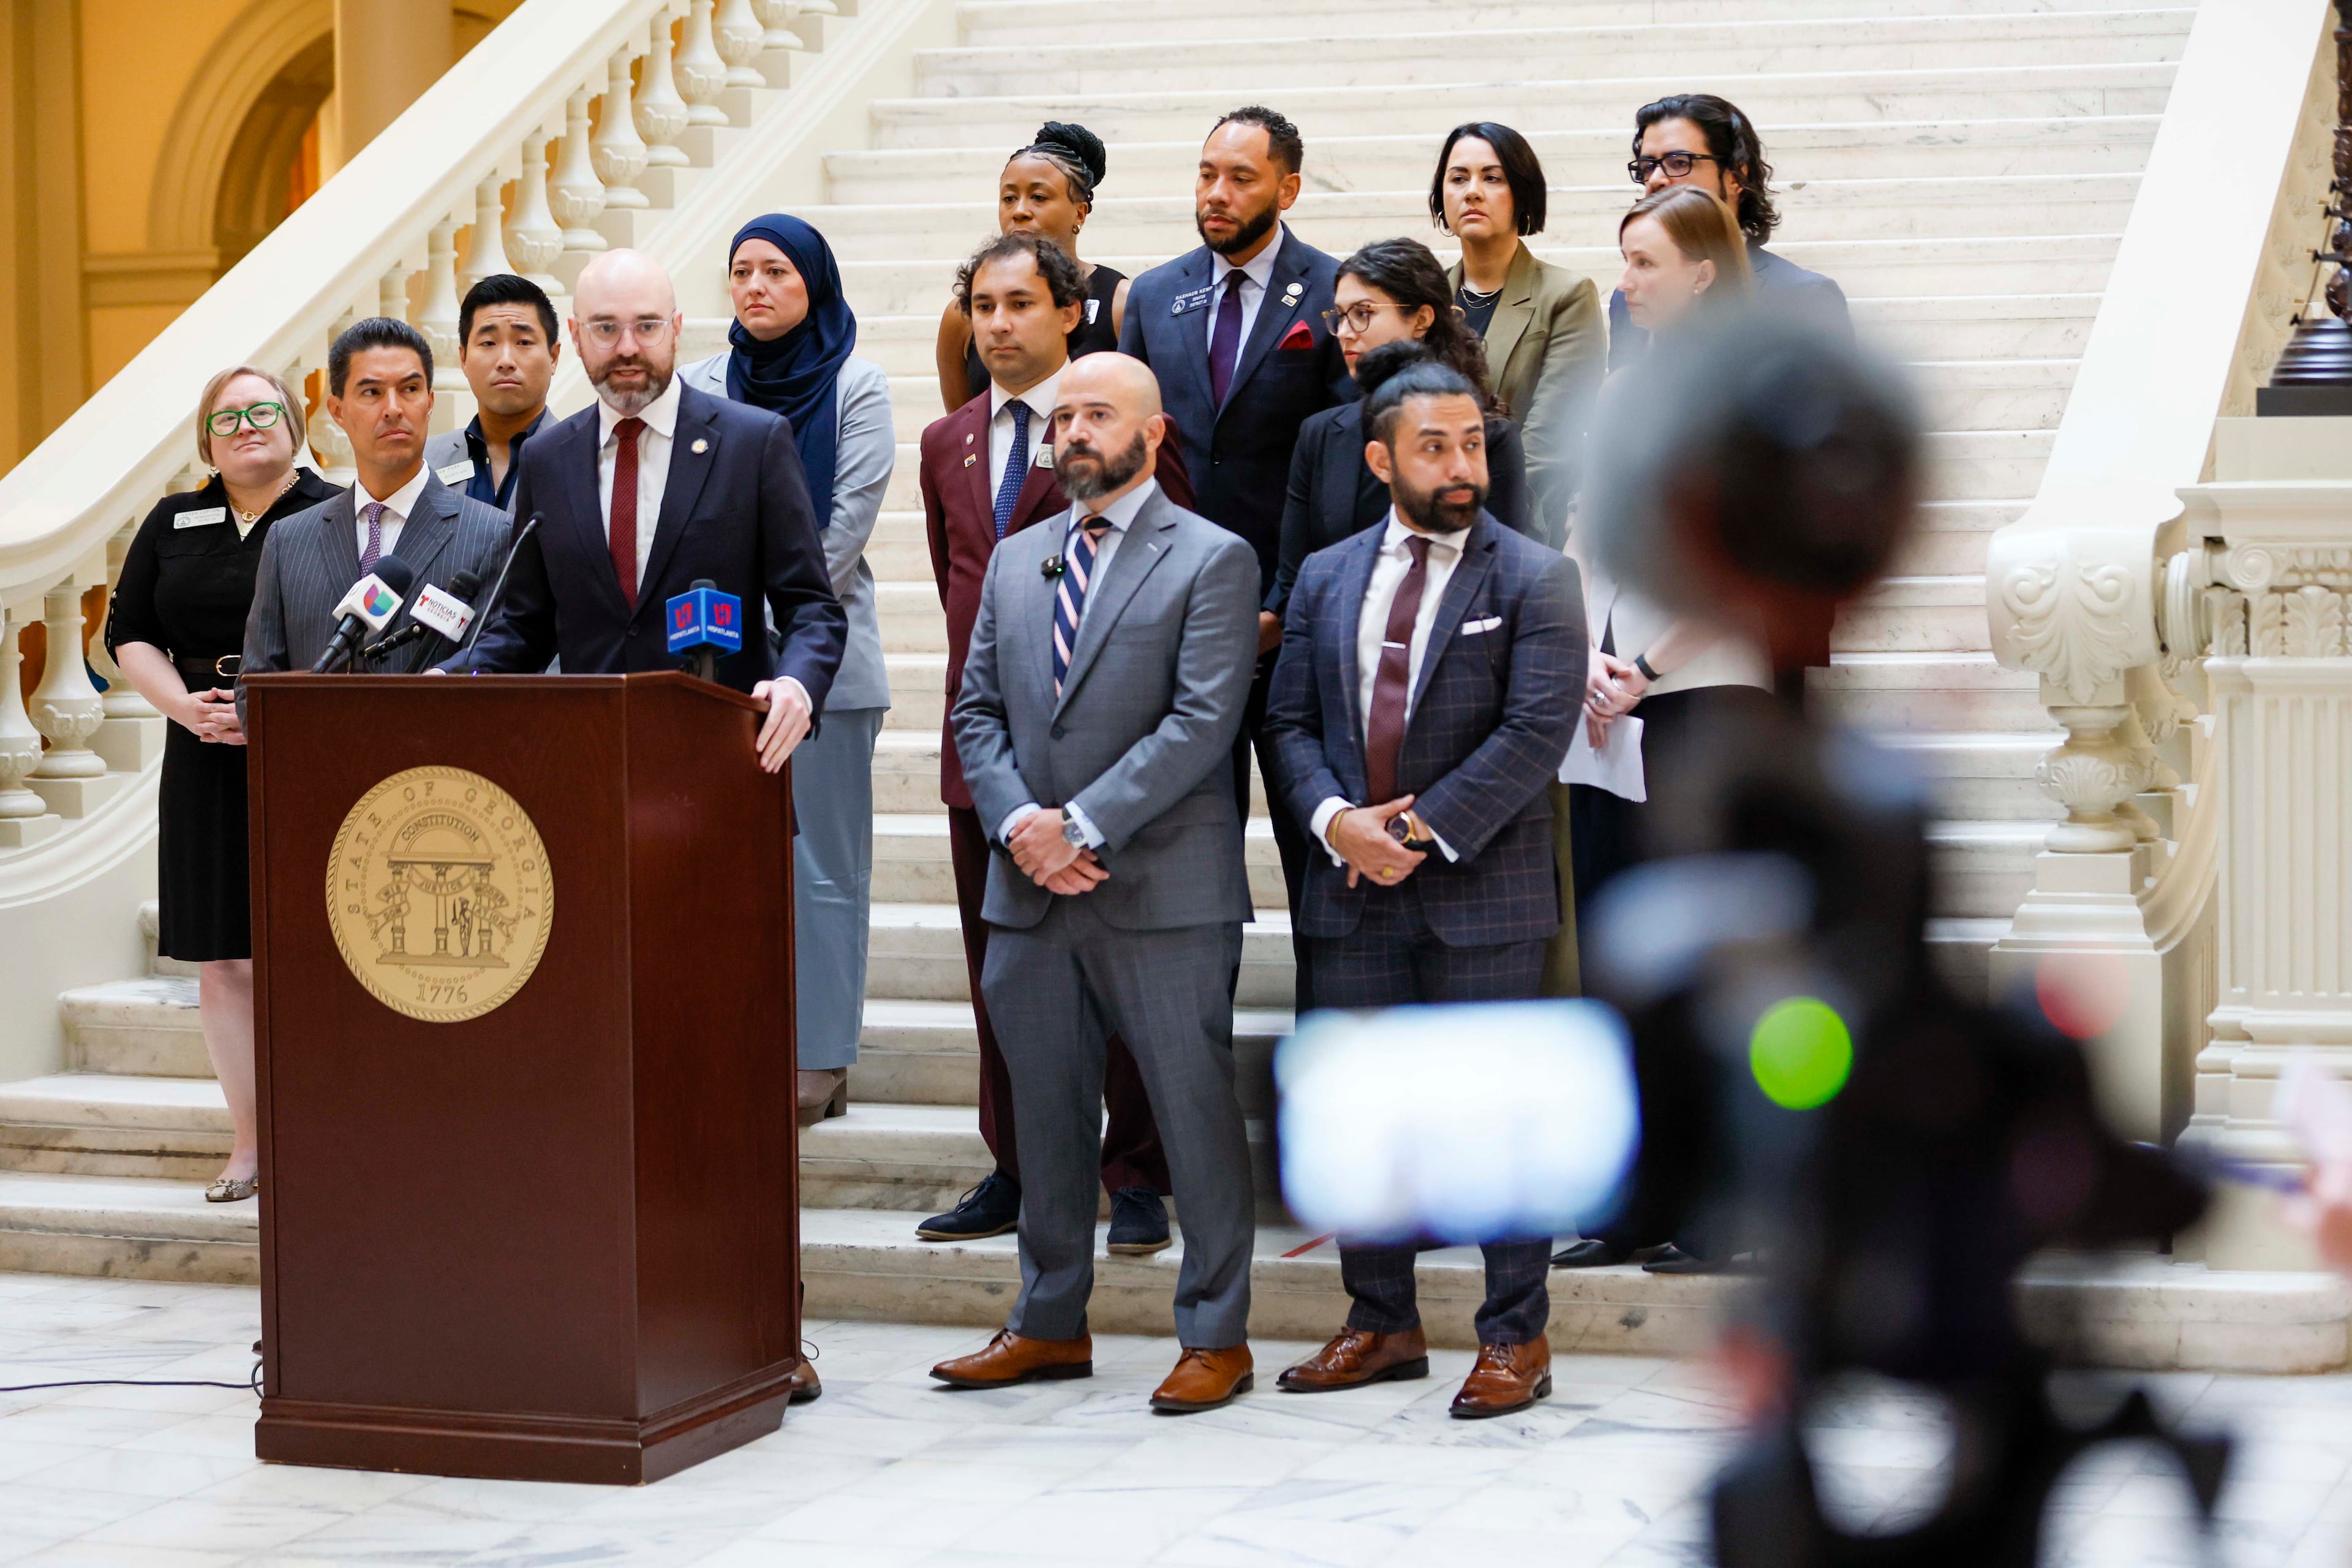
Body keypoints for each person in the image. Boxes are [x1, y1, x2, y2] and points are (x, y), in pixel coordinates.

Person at [928, 353, 1261, 1415]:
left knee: (1191, 1112)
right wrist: (1024, 824)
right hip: (1028, 889)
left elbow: (1203, 722)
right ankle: (1048, 1322)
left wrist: (1081, 823)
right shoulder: (1021, 559)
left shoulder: (1213, 558)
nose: (1072, 431)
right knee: (1049, 1118)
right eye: (1061, 416)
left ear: (1152, 433)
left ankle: (1217, 1334)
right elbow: (973, 711)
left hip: (1160, 889)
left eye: (1097, 414)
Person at [1262, 356, 1585, 1419]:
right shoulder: (1321, 575)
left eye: (1473, 444)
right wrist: (1335, 823)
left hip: (1479, 886)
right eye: (1434, 447)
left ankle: (1514, 1337)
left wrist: (1419, 826)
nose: (1460, 466)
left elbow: (1538, 730)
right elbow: (1289, 721)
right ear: (1380, 459)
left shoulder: (1536, 577)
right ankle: (1381, 1320)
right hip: (1351, 886)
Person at [914, 231, 1200, 1251]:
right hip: (983, 757)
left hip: (1102, 757)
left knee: (1118, 981)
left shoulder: (1112, 428)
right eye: (984, 307)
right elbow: (965, 587)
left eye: (1021, 305)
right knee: (1002, 976)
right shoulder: (946, 443)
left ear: (1068, 313)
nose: (1000, 325)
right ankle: (1022, 1166)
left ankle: (1135, 1173)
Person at [1553, 187, 1774, 1276]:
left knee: (1706, 961)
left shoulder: (1753, 388)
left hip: (1703, 697)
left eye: (1644, 262)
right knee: (1616, 955)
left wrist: (1647, 665)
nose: (1626, 281)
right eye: (1623, 260)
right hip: (1608, 698)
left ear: (1700, 270)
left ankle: (1728, 1201)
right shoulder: (1627, 389)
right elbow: (1586, 531)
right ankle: (1638, 1192)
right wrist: (1592, 657)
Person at [1118, 104, 1349, 1008]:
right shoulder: (1154, 294)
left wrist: (1285, 609)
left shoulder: (1331, 292)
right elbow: (1136, 461)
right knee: (1186, 865)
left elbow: (1339, 476)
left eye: (1241, 177)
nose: (1217, 193)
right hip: (1177, 625)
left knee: (1313, 855)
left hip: (1293, 631)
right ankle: (1186, 1067)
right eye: (1208, 173)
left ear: (1288, 187)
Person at [453, 248, 845, 776]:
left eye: (648, 326)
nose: (629, 348)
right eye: (606, 329)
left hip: (725, 763)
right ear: (574, 335)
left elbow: (812, 607)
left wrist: (797, 685)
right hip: (587, 767)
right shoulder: (547, 460)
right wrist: (455, 681)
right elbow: (525, 626)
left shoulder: (753, 443)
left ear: (677, 329)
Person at [104, 368, 339, 1204]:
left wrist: (277, 708)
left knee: (317, 950)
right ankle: (249, 1142)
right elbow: (126, 632)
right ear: (206, 439)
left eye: (263, 410)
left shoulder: (334, 512)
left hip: (307, 746)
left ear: (296, 422)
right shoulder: (174, 519)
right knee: (224, 959)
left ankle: (324, 1132)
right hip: (202, 749)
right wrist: (187, 711)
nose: (246, 426)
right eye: (227, 417)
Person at [680, 215, 892, 1129]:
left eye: (777, 271)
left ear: (815, 282)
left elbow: (842, 530)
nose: (757, 287)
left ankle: (819, 1059)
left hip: (828, 666)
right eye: (741, 272)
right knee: (721, 869)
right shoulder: (698, 385)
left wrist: (777, 632)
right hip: (710, 667)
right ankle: (738, 1037)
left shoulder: (858, 385)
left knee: (822, 869)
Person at [1268, 238, 1537, 625]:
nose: (1345, 331)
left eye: (1363, 313)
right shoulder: (1322, 434)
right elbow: (1297, 582)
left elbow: (1500, 578)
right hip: (1342, 647)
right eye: (1340, 316)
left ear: (1422, 319)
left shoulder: (1489, 435)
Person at [243, 318, 513, 686]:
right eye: (371, 393)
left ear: (429, 402)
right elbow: (255, 687)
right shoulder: (287, 542)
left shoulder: (491, 534)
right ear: (337, 411)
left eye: (410, 389)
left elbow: (503, 670)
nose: (393, 408)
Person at [1432, 121, 1605, 546]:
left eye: (1492, 178)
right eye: (1458, 178)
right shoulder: (1425, 299)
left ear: (1521, 195)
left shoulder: (1567, 295)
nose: (1472, 191)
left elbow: (1548, 442)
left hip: (1520, 527)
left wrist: (1466, 510)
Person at [1606, 92, 1849, 371]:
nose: (1657, 179)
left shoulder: (1803, 297)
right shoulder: (1627, 300)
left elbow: (1833, 410)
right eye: (1648, 167)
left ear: (1735, 177)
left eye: (1679, 162)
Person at [935, 122, 1128, 412]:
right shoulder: (962, 315)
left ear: (1080, 213)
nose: (1020, 211)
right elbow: (961, 433)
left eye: (1039, 197)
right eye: (1009, 198)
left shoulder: (1121, 302)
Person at [423, 273, 559, 514]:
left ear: (554, 357)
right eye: (488, 343)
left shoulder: (585, 460)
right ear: (463, 359)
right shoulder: (424, 464)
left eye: (524, 342)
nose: (505, 361)